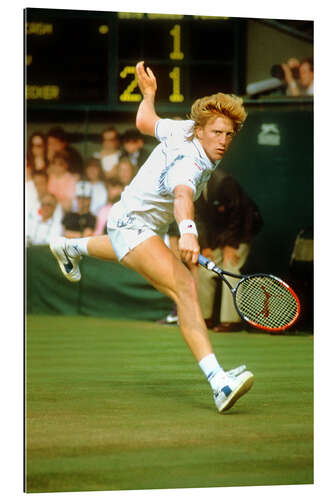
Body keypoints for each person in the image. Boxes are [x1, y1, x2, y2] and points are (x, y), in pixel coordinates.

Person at [50, 61, 254, 414]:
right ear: (201, 131)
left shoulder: (184, 129)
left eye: (229, 134)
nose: (223, 141)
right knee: (186, 288)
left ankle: (70, 246)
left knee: (130, 252)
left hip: (130, 219)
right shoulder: (190, 163)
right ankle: (219, 382)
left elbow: (145, 122)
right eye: (217, 133)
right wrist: (188, 232)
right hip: (134, 225)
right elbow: (182, 196)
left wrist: (148, 96)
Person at [196, 168, 263, 332]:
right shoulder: (192, 185)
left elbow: (239, 214)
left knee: (230, 266)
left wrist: (231, 245)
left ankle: (231, 321)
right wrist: (205, 246)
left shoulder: (224, 182)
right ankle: (205, 319)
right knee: (205, 270)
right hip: (219, 237)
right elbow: (198, 219)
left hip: (241, 232)